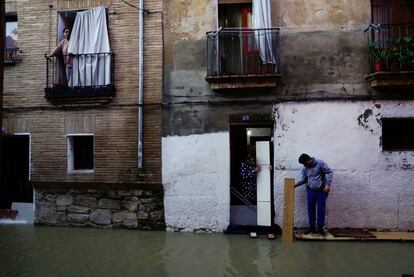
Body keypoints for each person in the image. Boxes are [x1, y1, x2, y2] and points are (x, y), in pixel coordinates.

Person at [294, 153, 333, 236]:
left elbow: (329, 172)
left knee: (320, 209)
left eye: (305, 163)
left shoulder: (320, 163)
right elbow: (304, 180)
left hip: (321, 191)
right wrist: (295, 185)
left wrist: (328, 185)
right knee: (310, 209)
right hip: (311, 191)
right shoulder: (305, 168)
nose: (304, 165)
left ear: (309, 160)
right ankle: (312, 228)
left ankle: (320, 228)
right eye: (303, 164)